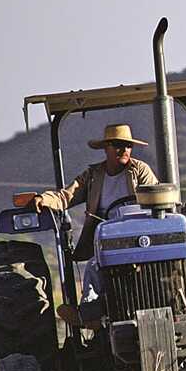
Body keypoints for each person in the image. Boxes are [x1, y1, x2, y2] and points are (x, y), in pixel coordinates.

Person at [33, 123, 158, 328]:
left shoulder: (140, 171)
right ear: (106, 148)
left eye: (127, 145)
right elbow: (66, 196)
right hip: (107, 238)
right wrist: (44, 199)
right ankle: (89, 314)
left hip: (139, 236)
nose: (124, 150)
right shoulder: (93, 176)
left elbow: (155, 197)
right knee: (94, 266)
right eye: (118, 145)